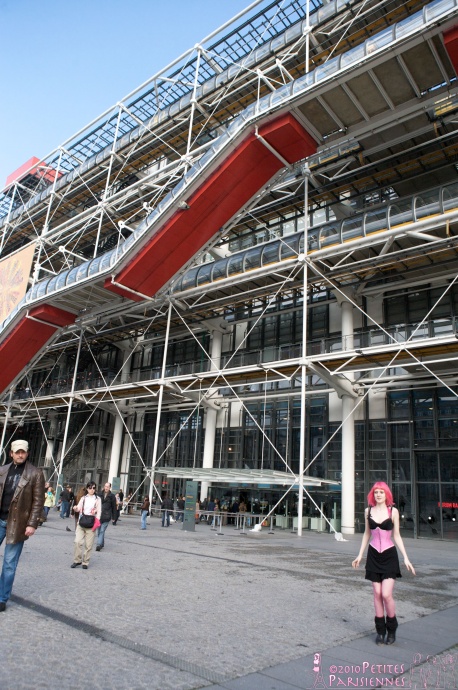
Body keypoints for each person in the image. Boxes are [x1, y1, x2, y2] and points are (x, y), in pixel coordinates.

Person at [352, 481, 415, 645]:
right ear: (372, 495)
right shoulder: (368, 511)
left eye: (381, 492)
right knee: (377, 593)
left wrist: (406, 557)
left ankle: (392, 628)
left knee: (386, 594)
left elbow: (397, 535)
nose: (378, 494)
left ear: (386, 494)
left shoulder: (393, 511)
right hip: (373, 554)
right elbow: (367, 534)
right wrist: (360, 555)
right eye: (376, 492)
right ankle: (380, 631)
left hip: (389, 555)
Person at [0, 439, 45, 610]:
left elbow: (38, 501)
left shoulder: (35, 473)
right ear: (11, 453)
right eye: (17, 452)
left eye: (23, 452)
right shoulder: (2, 470)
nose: (20, 455)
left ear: (27, 453)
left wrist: (32, 524)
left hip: (17, 523)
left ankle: (2, 598)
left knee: (9, 563)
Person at [71, 481, 101, 569]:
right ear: (87, 488)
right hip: (82, 522)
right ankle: (77, 560)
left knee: (88, 545)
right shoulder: (83, 498)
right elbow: (79, 508)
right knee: (77, 541)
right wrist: (75, 508)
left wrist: (97, 521)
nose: (92, 490)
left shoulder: (97, 499)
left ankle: (85, 562)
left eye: (94, 488)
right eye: (90, 488)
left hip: (91, 523)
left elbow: (99, 511)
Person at [96, 482, 117, 551]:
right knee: (99, 531)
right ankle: (101, 543)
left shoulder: (112, 496)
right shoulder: (99, 494)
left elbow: (114, 507)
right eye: (105, 486)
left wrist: (114, 517)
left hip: (107, 516)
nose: (106, 488)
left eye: (108, 487)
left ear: (110, 487)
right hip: (99, 515)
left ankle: (98, 544)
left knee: (102, 530)